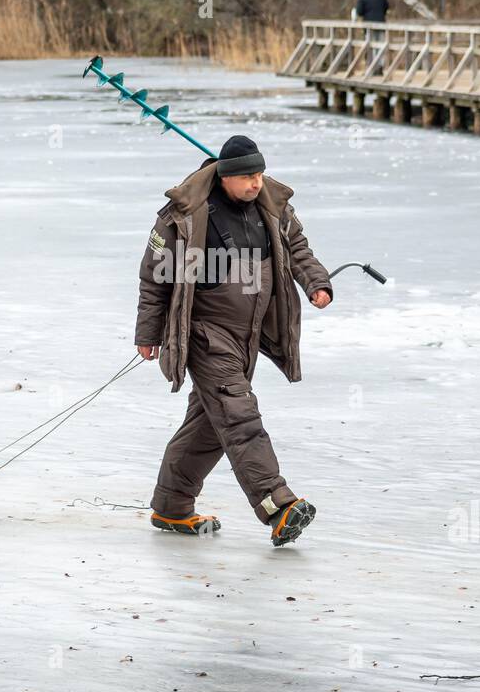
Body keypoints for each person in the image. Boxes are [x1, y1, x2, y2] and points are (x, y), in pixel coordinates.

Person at [134, 136, 333, 547]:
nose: (256, 183)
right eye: (247, 176)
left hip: (250, 333)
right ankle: (277, 505)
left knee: (209, 426)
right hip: (206, 332)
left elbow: (297, 249)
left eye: (259, 174)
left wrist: (316, 283)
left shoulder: (271, 208)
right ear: (225, 177)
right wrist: (148, 333)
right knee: (240, 416)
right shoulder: (188, 215)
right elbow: (155, 276)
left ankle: (171, 505)